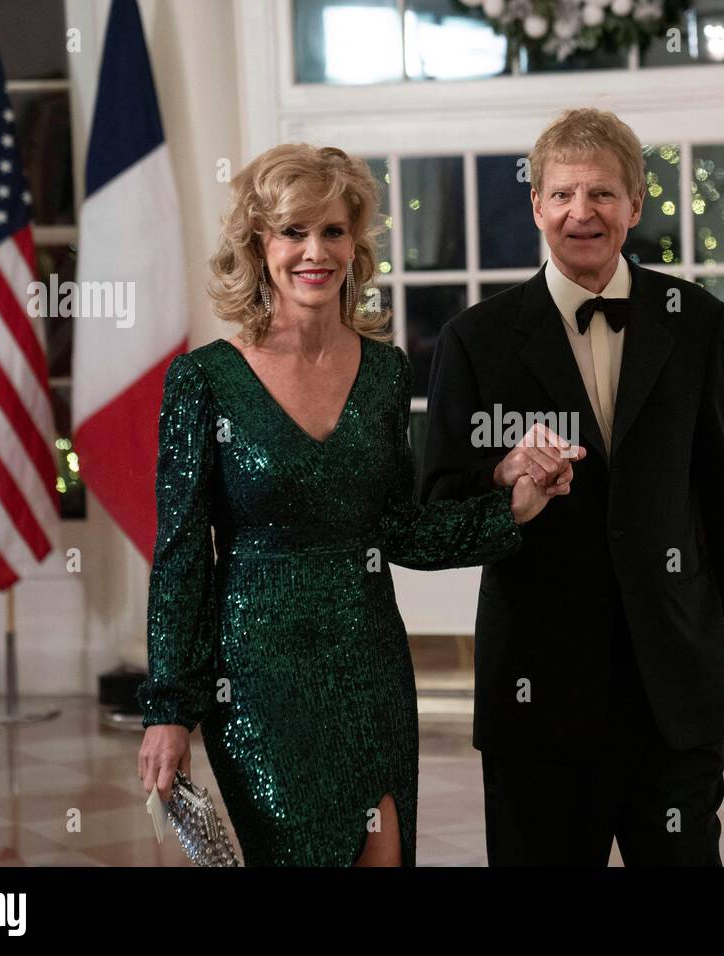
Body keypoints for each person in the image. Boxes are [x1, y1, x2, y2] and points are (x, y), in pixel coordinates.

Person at [136, 143, 582, 867]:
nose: (315, 252)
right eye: (293, 232)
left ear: (355, 244)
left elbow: (400, 528)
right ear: (259, 245)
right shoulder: (203, 381)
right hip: (256, 679)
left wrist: (515, 504)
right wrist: (168, 711)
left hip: (370, 664)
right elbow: (182, 557)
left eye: (333, 232)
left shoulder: (384, 371)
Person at [419, 108, 724, 866]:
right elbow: (436, 501)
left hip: (673, 687)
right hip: (539, 693)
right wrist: (503, 476)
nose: (580, 213)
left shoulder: (697, 322)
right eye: (561, 195)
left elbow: (723, 498)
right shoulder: (475, 340)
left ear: (637, 204)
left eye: (601, 195)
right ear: (535, 205)